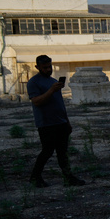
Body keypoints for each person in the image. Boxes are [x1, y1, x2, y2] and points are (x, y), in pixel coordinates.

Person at [27, 55, 85, 188]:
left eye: (50, 67)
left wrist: (67, 121)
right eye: (45, 68)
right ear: (37, 67)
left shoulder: (53, 81)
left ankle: (68, 178)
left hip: (60, 122)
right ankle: (35, 177)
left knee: (62, 152)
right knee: (47, 151)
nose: (48, 69)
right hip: (46, 123)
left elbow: (60, 104)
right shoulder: (34, 82)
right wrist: (51, 90)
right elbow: (36, 101)